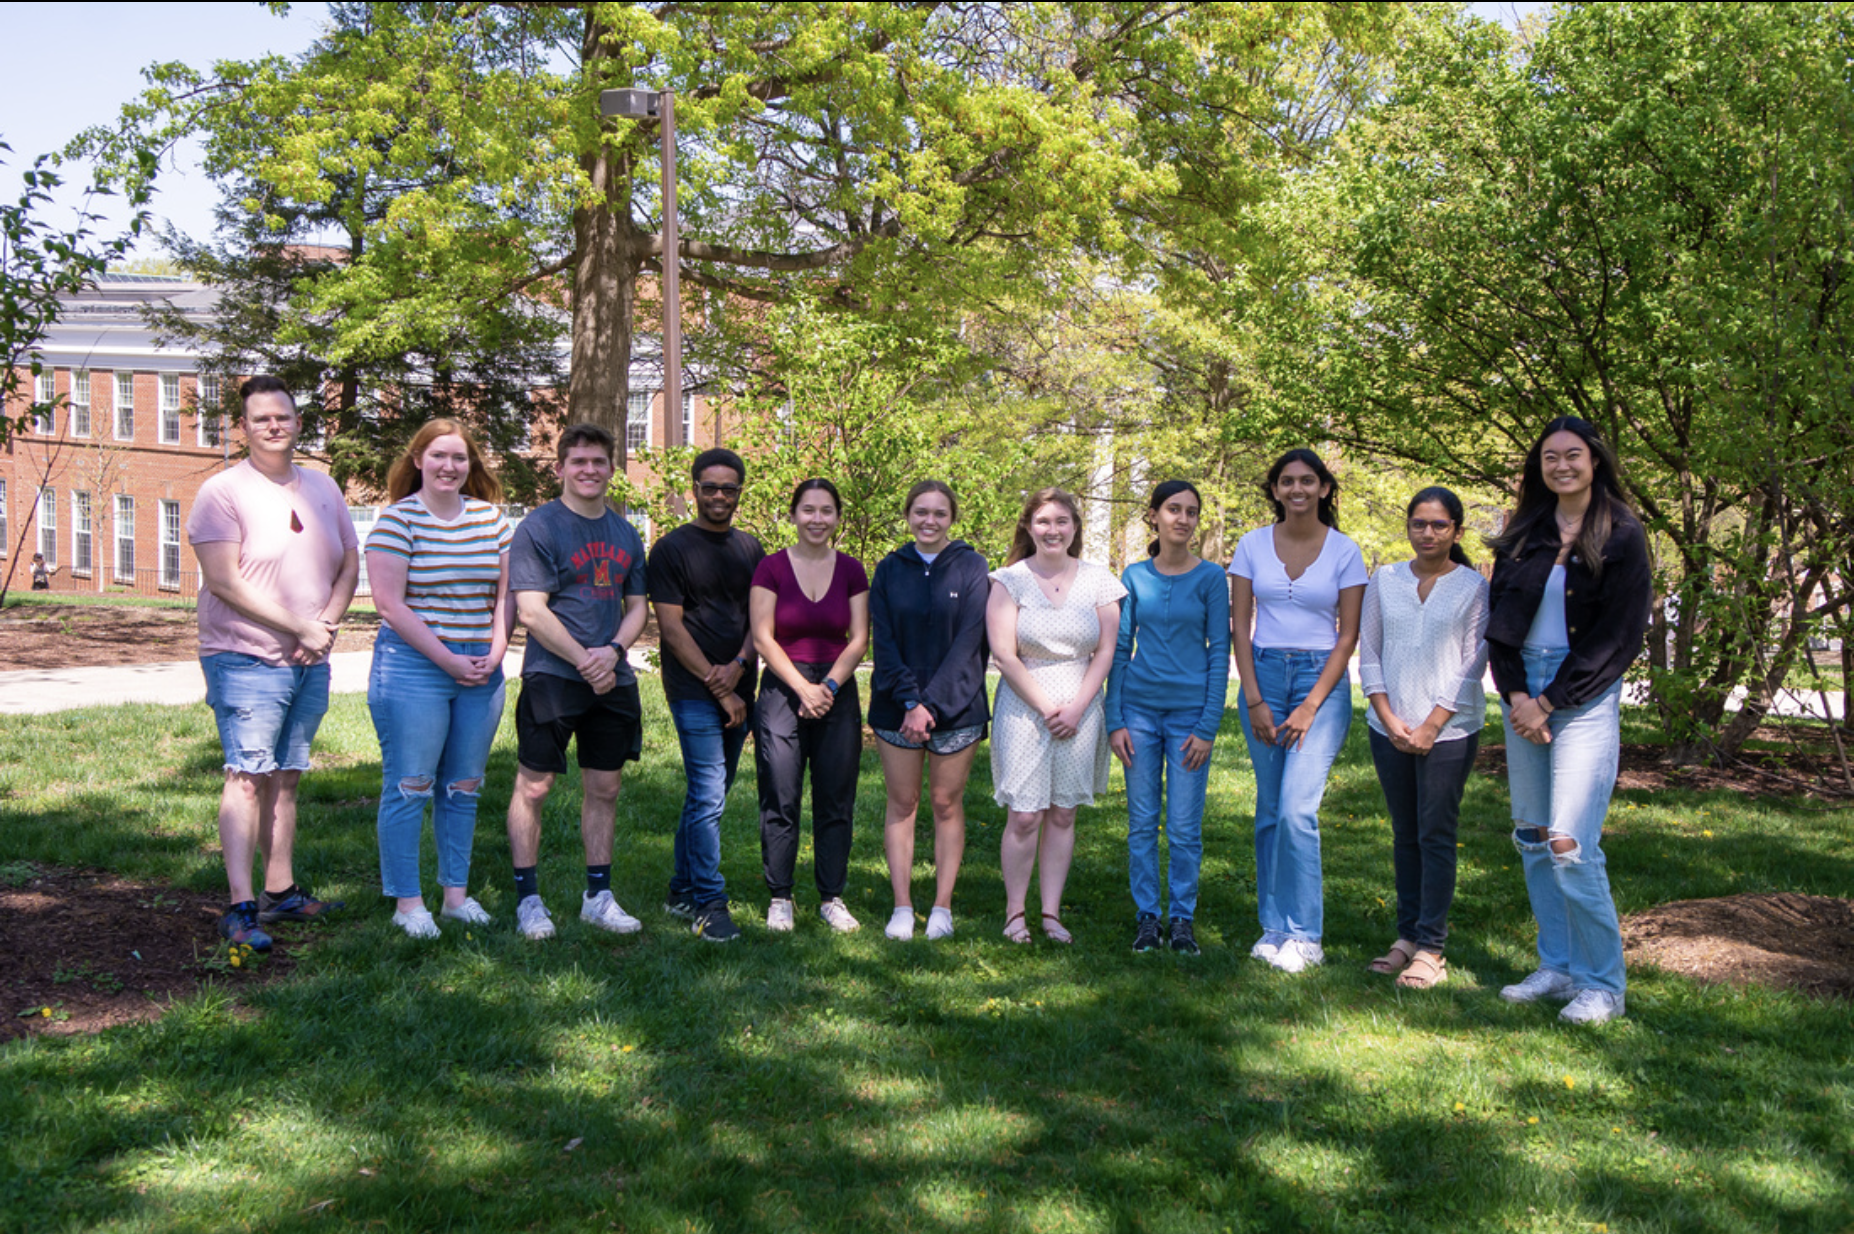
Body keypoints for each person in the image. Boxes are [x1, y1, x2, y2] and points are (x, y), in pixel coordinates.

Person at [1487, 416, 1651, 1025]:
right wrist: (1516, 695)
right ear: (1539, 467)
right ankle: (1556, 967)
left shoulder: (1623, 532)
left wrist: (1550, 701)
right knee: (1532, 836)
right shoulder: (1527, 528)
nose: (1562, 465)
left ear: (1595, 461)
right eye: (1550, 457)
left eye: (1573, 455)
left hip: (1581, 692)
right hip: (1521, 687)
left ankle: (1603, 984)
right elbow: (1499, 615)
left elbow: (1618, 634)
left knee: (1570, 843)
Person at [188, 376, 358, 951]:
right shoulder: (222, 492)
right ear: (245, 428)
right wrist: (299, 626)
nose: (273, 426)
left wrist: (325, 626)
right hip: (244, 657)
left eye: (282, 416)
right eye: (261, 419)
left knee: (286, 777)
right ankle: (238, 907)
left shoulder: (324, 488)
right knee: (247, 776)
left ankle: (279, 892)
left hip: (312, 656)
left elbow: (349, 561)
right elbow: (224, 582)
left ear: (298, 422)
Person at [364, 419, 512, 938]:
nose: (449, 466)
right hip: (415, 666)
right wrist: (448, 659)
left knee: (464, 786)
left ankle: (455, 897)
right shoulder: (396, 522)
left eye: (460, 457)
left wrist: (495, 652)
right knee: (411, 784)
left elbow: (505, 597)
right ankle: (408, 904)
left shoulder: (492, 521)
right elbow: (389, 604)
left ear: (471, 465)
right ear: (418, 461)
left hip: (481, 668)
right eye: (439, 456)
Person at [503, 423, 649, 941]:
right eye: (579, 461)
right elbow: (531, 611)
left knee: (604, 788)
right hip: (553, 675)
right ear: (561, 467)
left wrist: (611, 653)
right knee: (535, 784)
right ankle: (529, 899)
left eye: (599, 462)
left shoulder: (626, 532)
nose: (590, 470)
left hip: (613, 678)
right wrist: (584, 659)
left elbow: (637, 608)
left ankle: (598, 896)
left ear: (613, 469)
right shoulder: (538, 528)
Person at [1229, 448, 1367, 974]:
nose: (1297, 490)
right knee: (1269, 811)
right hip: (1262, 675)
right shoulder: (1251, 545)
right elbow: (1241, 626)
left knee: (1296, 810)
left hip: (1321, 680)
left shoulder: (1345, 551)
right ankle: (1274, 927)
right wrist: (1255, 697)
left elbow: (1348, 634)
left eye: (1307, 481)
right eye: (1287, 481)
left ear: (1324, 488)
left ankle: (1307, 935)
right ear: (1275, 490)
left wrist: (1311, 704)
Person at [1359, 486, 1489, 989]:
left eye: (1439, 525)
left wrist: (1433, 722)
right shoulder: (1384, 580)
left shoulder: (1474, 587)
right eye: (1419, 523)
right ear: (1408, 527)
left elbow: (1475, 659)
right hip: (1387, 726)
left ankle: (1432, 947)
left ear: (1457, 531)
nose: (1428, 533)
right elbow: (1369, 650)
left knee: (1436, 833)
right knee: (1405, 833)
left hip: (1450, 731)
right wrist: (1389, 717)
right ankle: (1406, 937)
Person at [987, 487, 1125, 944]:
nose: (1053, 530)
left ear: (1075, 527)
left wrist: (1080, 706)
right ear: (1029, 526)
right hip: (1025, 708)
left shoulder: (1099, 580)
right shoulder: (1009, 580)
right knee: (1025, 815)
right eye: (1043, 521)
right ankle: (1014, 914)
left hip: (1082, 705)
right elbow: (1004, 655)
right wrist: (1048, 708)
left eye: (1062, 521)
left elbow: (1106, 651)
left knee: (1063, 812)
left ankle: (1050, 913)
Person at [1106, 480, 1230, 956]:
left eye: (1191, 511)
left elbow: (1220, 654)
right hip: (1137, 712)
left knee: (1183, 826)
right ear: (1154, 516)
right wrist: (1114, 718)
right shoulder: (1134, 576)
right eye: (1173, 509)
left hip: (1188, 717)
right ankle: (1147, 917)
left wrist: (1206, 727)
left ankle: (1181, 918)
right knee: (1141, 823)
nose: (1183, 519)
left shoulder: (1212, 579)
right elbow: (1118, 650)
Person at [649, 447, 765, 943]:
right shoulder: (671, 549)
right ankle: (708, 901)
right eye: (710, 487)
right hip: (693, 691)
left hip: (741, 684)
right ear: (694, 489)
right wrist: (720, 688)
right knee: (710, 792)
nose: (719, 496)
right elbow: (671, 629)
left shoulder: (751, 550)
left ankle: (679, 888)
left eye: (729, 488)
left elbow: (761, 621)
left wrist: (738, 667)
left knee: (707, 794)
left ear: (739, 493)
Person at [869, 480, 991, 941]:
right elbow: (883, 640)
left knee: (945, 803)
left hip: (957, 708)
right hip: (895, 707)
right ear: (907, 516)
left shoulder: (973, 567)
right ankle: (902, 906)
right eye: (920, 512)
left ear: (952, 519)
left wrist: (931, 705)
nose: (929, 521)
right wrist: (909, 702)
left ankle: (942, 906)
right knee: (902, 803)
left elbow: (969, 644)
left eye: (939, 513)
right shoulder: (889, 569)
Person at [749, 478, 870, 933]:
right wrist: (803, 688)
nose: (817, 519)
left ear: (838, 517)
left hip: (836, 690)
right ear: (794, 515)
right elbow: (763, 636)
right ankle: (780, 895)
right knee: (780, 792)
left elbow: (859, 638)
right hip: (784, 687)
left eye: (826, 511)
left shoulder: (853, 570)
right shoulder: (771, 568)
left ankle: (831, 896)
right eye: (808, 510)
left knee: (836, 796)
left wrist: (830, 687)